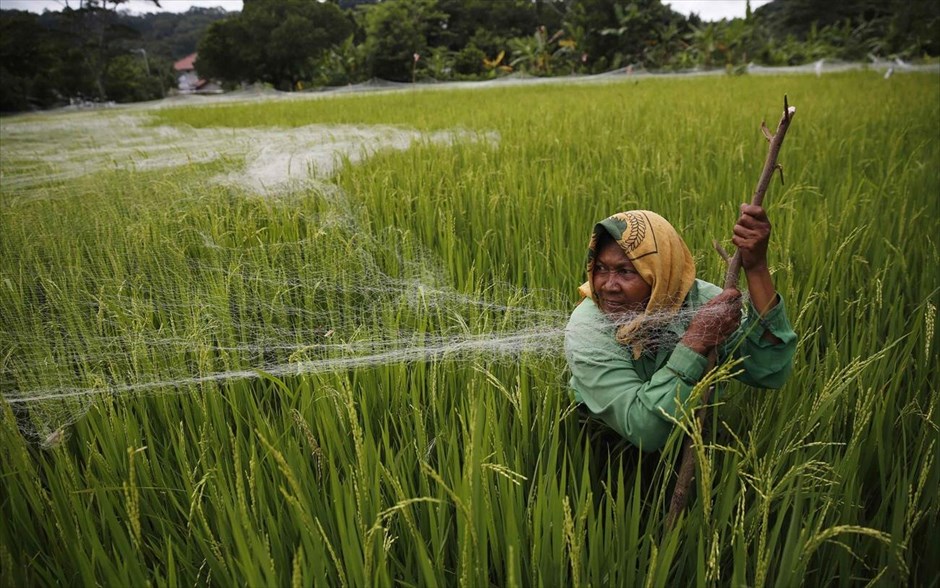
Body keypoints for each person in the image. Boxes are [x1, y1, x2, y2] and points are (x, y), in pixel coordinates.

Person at [564, 206, 796, 452]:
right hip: (609, 450)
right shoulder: (588, 327)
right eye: (600, 268)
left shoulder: (699, 301)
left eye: (625, 271)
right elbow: (642, 429)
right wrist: (695, 342)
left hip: (693, 442)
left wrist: (757, 267)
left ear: (661, 271)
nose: (608, 285)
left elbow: (768, 369)